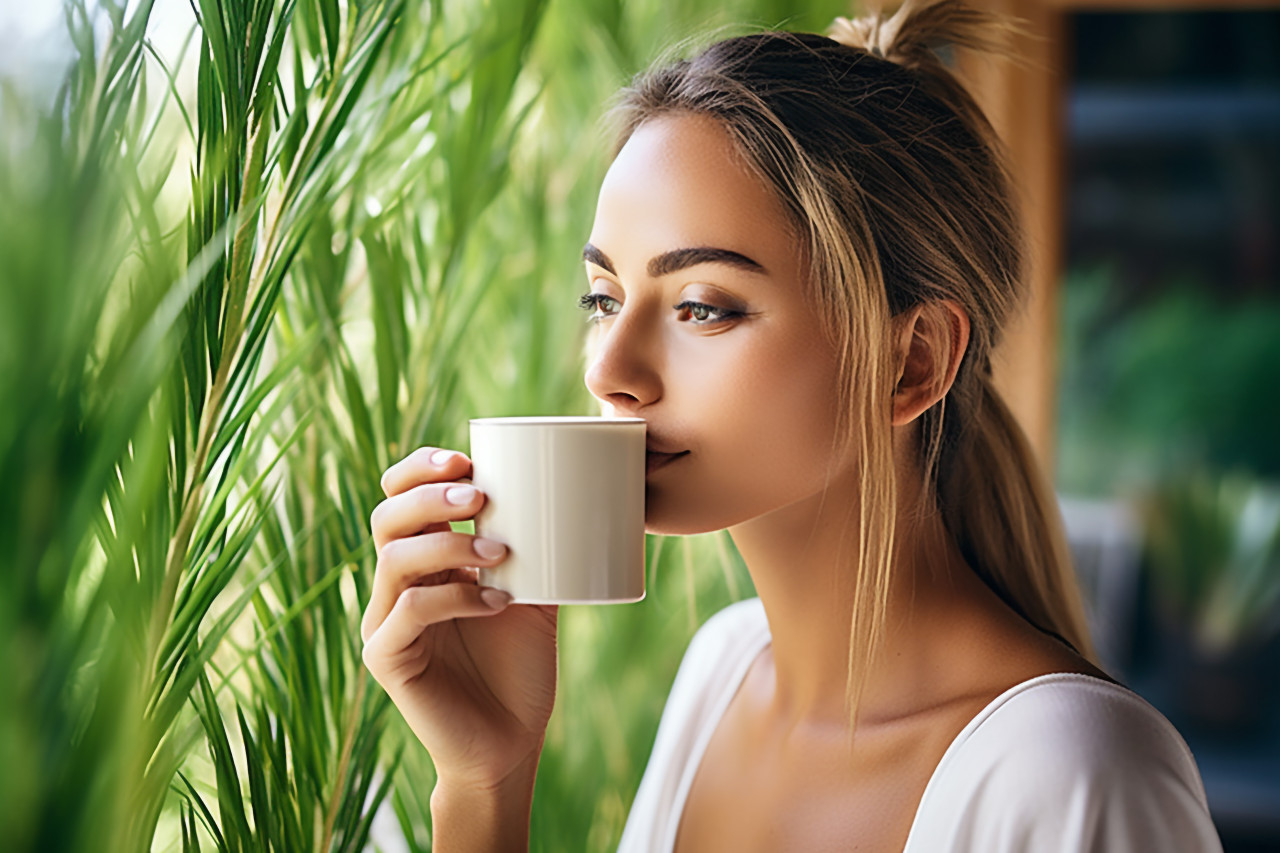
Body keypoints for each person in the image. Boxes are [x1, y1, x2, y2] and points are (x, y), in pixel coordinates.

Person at [361, 1, 1225, 850]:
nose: (607, 371)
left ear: (912, 361)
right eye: (605, 299)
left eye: (701, 307)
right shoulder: (720, 675)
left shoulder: (1073, 776)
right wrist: (485, 781)